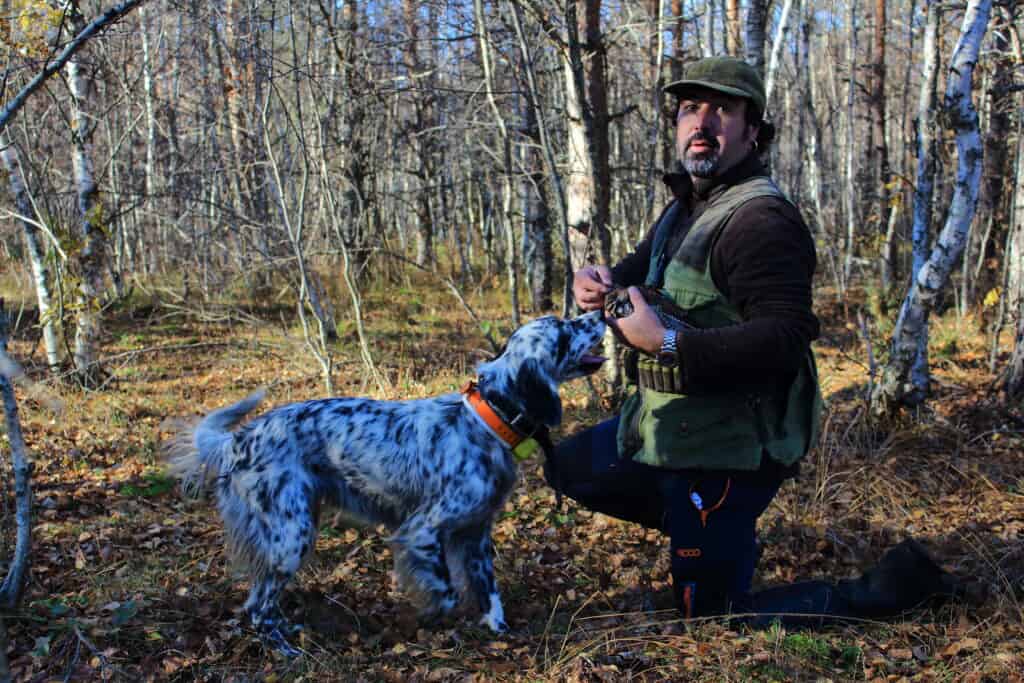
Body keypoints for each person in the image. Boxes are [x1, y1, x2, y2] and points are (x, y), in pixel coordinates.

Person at [545, 56, 954, 623]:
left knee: (710, 616)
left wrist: (665, 343)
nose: (703, 122)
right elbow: (638, 270)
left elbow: (784, 338)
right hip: (674, 425)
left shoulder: (760, 220)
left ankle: (897, 586)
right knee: (567, 469)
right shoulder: (687, 205)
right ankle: (706, 525)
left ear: (753, 130)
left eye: (723, 109)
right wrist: (600, 281)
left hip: (732, 445)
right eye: (691, 108)